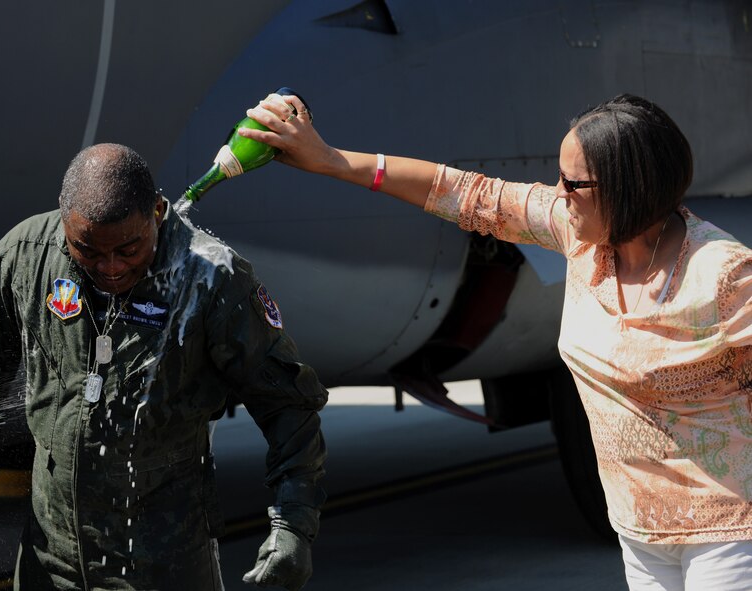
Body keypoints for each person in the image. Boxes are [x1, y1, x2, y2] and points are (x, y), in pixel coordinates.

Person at [240, 93, 752, 590]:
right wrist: (331, 161)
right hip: (639, 531)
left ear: (629, 188)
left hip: (727, 534)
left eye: (573, 183)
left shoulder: (723, 275)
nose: (558, 193)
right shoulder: (582, 239)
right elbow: (464, 192)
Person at [0, 143, 328, 590]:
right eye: (88, 250)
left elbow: (287, 404)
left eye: (129, 248)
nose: (112, 267)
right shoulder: (26, 255)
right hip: (50, 554)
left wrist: (294, 521)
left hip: (162, 558)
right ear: (64, 218)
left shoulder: (211, 278)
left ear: (156, 211)